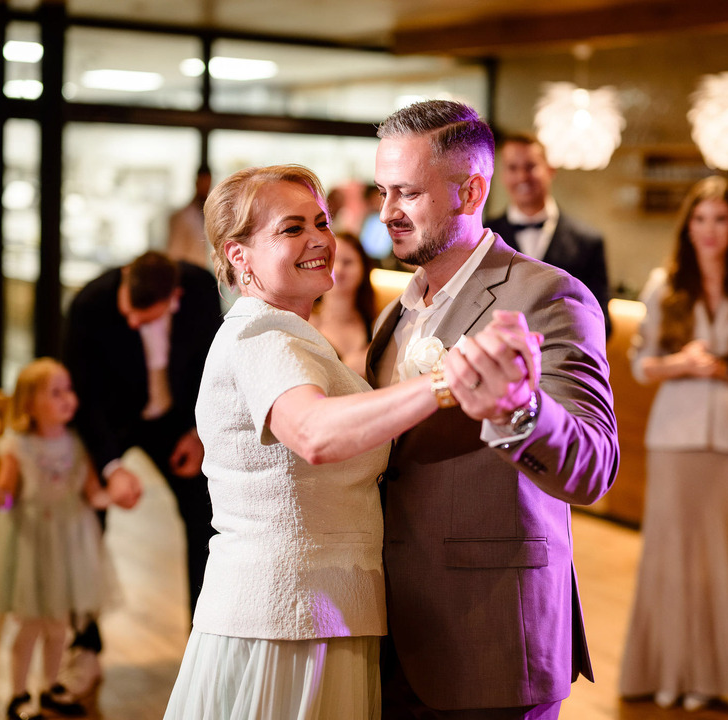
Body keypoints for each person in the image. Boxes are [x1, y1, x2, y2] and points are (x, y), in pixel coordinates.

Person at [162, 163, 535, 719]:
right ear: (238, 255)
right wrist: (446, 380)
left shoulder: (292, 335)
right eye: (291, 229)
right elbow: (312, 433)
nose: (318, 240)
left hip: (321, 612)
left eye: (321, 222)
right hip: (288, 621)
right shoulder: (261, 335)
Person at [370, 99, 619, 718]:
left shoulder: (548, 294)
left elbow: (593, 465)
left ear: (470, 190)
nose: (387, 213)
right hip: (394, 628)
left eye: (407, 193)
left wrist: (519, 410)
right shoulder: (393, 312)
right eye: (382, 191)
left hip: (493, 636)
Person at [618, 176, 728, 711]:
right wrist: (682, 363)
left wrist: (727, 369)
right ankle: (668, 669)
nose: (710, 230)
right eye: (701, 219)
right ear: (688, 227)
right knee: (673, 556)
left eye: (722, 219)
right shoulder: (666, 286)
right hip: (676, 440)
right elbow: (641, 365)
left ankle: (716, 677)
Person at [61, 250, 222, 696]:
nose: (131, 321)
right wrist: (110, 467)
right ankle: (85, 648)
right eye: (127, 311)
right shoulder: (90, 304)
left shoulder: (201, 290)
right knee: (87, 521)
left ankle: (204, 646)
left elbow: (215, 364)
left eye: (142, 316)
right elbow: (84, 397)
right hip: (112, 419)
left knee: (205, 520)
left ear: (175, 297)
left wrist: (198, 432)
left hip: (176, 421)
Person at [0, 358, 118, 720]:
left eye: (69, 390)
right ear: (30, 404)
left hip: (70, 545)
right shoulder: (18, 447)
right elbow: (6, 500)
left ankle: (50, 688)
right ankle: (17, 695)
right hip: (29, 544)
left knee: (58, 626)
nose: (68, 399)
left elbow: (93, 494)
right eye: (55, 393)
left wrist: (119, 493)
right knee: (30, 625)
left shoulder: (78, 443)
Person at [486, 133, 612, 338]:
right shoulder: (483, 237)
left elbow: (602, 322)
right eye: (512, 168)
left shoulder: (588, 242)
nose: (521, 177)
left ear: (550, 170)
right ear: (501, 175)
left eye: (530, 166)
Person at [309, 232, 376, 376]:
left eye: (347, 262)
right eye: (332, 262)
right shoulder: (306, 325)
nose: (338, 270)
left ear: (363, 269)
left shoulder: (376, 326)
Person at [166, 166, 213, 269]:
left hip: (205, 273)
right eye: (203, 183)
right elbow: (174, 253)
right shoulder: (182, 217)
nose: (206, 188)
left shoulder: (210, 213)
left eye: (208, 183)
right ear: (196, 183)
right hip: (187, 273)